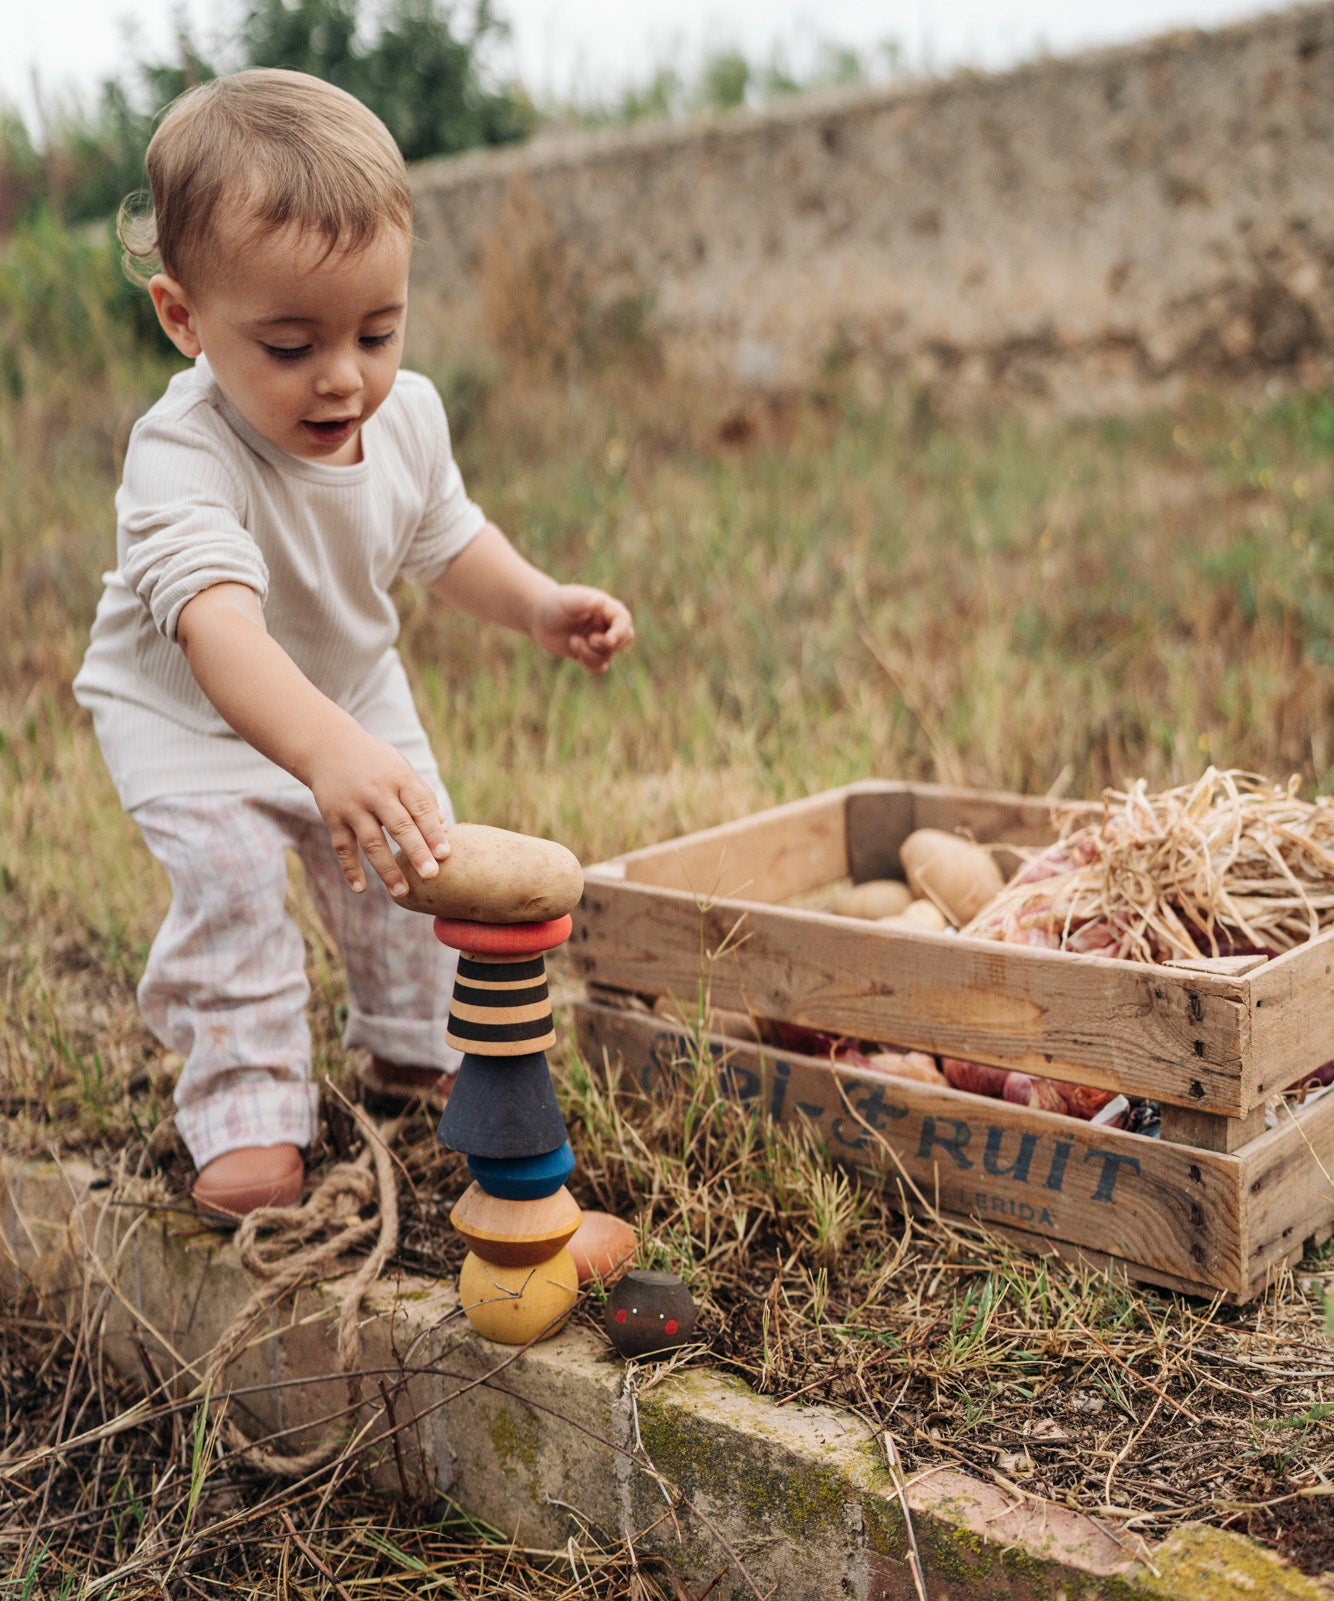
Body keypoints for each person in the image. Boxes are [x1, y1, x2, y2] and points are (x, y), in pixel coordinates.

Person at [72, 68, 634, 1223]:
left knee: (410, 863)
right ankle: (246, 1102)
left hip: (349, 688)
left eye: (377, 330)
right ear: (183, 317)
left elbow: (442, 534)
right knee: (231, 888)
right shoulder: (180, 455)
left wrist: (532, 603)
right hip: (187, 715)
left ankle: (411, 1039)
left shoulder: (404, 414)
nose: (344, 375)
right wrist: (323, 754)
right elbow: (219, 628)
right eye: (289, 345)